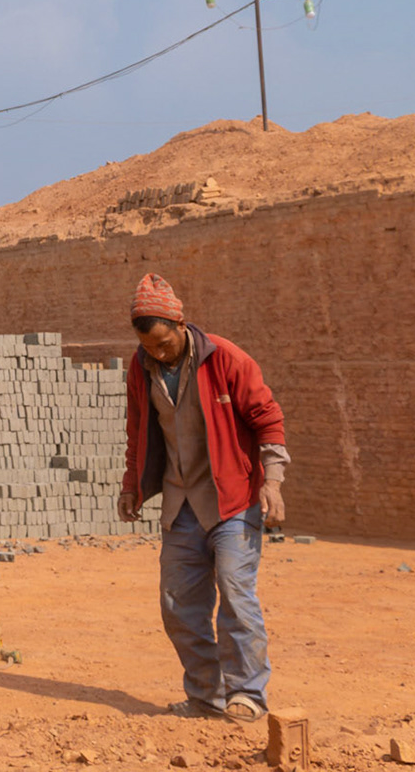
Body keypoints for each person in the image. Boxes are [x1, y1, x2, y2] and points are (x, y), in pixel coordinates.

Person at [116, 273, 288, 725]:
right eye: (149, 347)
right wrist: (131, 484)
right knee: (178, 605)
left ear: (180, 325)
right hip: (180, 503)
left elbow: (269, 421)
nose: (158, 353)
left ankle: (247, 694)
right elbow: (137, 430)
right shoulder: (141, 367)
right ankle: (206, 696)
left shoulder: (226, 359)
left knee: (235, 595)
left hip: (233, 501)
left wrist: (272, 481)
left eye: (163, 344)